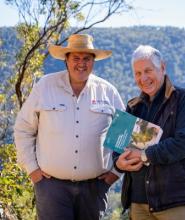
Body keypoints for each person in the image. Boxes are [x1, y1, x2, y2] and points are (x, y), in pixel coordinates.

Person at [14, 34, 125, 220]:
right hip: (51, 189)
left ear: (93, 62)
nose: (81, 63)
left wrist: (114, 174)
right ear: (66, 60)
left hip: (94, 190)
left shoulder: (108, 91)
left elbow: (125, 133)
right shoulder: (45, 86)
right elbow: (23, 128)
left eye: (86, 58)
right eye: (76, 58)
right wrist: (33, 170)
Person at [114, 45, 185, 220]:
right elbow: (117, 149)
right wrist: (119, 163)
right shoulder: (133, 107)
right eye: (138, 73)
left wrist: (144, 155)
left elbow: (184, 144)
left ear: (162, 67)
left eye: (148, 70)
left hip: (174, 202)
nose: (143, 78)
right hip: (138, 203)